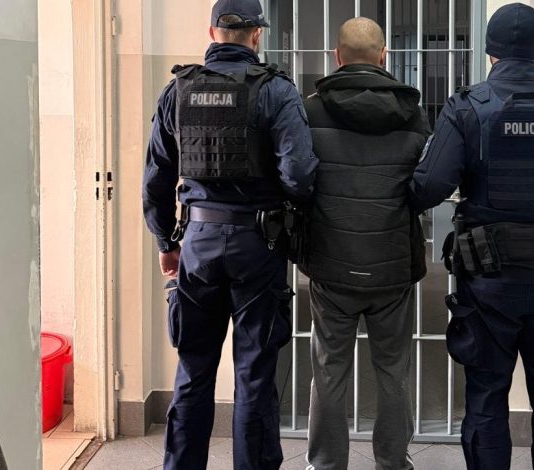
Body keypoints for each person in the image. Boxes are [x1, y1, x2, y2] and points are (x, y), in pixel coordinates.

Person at [409, 3, 534, 469]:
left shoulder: (466, 108)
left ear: (491, 51)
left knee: (486, 397)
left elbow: (429, 187)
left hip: (488, 283)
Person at [141, 0, 318, 468]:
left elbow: (155, 180)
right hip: (259, 244)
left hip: (197, 243)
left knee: (193, 370)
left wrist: (166, 243)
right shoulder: (276, 90)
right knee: (254, 375)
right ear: (257, 35)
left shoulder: (177, 91)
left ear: (212, 33)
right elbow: (300, 175)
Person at [299, 17, 430, 470]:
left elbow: (297, 179)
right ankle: (392, 463)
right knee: (393, 371)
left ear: (337, 57)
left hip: (331, 264)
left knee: (328, 370)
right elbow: (424, 184)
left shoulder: (310, 111)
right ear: (383, 56)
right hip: (392, 265)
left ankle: (326, 464)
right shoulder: (413, 113)